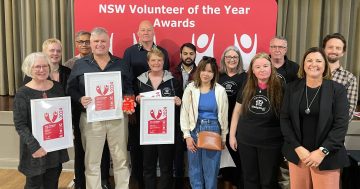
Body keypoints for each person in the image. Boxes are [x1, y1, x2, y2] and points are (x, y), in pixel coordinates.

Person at [67, 27, 134, 189]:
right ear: (91, 43)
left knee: (121, 160)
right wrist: (80, 98)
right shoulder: (80, 64)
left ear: (109, 42)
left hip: (117, 119)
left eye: (103, 41)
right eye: (96, 41)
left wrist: (128, 104)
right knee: (92, 162)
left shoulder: (121, 63)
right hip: (91, 119)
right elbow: (71, 89)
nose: (100, 44)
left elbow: (129, 88)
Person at [280, 47, 350, 189]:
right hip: (299, 156)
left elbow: (341, 125)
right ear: (303, 64)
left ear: (325, 66)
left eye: (318, 61)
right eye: (309, 60)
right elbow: (285, 120)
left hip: (327, 157)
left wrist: (322, 152)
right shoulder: (291, 88)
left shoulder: (337, 90)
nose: (313, 64)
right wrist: (298, 148)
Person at [123, 20, 170, 188]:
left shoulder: (163, 52)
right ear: (138, 33)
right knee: (137, 149)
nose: (146, 33)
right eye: (142, 30)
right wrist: (129, 108)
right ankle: (139, 184)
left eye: (149, 30)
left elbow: (168, 81)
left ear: (153, 32)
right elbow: (126, 81)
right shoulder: (129, 52)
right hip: (138, 109)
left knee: (156, 154)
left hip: (159, 113)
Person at [14, 52, 69, 189]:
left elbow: (63, 113)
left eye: (45, 66)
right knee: (35, 184)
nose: (42, 70)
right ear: (29, 69)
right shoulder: (22, 93)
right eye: (37, 67)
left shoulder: (57, 87)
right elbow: (20, 125)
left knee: (52, 182)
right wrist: (35, 146)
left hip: (54, 148)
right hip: (35, 150)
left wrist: (68, 130)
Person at [64, 31, 112, 189]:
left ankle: (102, 180)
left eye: (87, 41)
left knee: (102, 150)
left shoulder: (105, 60)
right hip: (81, 113)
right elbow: (69, 88)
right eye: (81, 42)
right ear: (76, 43)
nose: (84, 45)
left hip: (104, 112)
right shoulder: (71, 64)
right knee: (82, 150)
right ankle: (81, 181)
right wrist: (79, 99)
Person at [229, 53, 283, 189]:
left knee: (268, 181)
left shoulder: (281, 87)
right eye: (257, 67)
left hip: (271, 143)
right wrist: (232, 136)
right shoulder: (247, 86)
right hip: (246, 141)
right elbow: (236, 112)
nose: (262, 69)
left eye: (265, 66)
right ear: (252, 70)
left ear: (271, 67)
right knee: (249, 179)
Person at [135, 48, 182, 189]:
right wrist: (136, 100)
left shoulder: (173, 80)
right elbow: (129, 103)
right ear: (148, 62)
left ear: (164, 62)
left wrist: (179, 102)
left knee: (166, 167)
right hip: (147, 132)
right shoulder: (139, 81)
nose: (156, 63)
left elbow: (181, 102)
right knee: (148, 167)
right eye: (153, 60)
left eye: (159, 60)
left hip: (166, 132)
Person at [180, 56, 229, 189]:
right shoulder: (190, 88)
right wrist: (187, 136)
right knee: (194, 169)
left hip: (213, 130)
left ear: (214, 74)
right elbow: (184, 113)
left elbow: (224, 116)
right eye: (203, 70)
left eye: (210, 71)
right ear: (199, 71)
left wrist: (223, 137)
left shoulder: (220, 91)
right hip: (194, 130)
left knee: (211, 171)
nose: (206, 74)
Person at [218, 46, 246, 189]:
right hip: (221, 124)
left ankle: (238, 184)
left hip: (239, 124)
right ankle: (227, 183)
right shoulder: (218, 76)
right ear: (224, 59)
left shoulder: (245, 77)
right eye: (228, 57)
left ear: (239, 60)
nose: (232, 60)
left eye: (235, 57)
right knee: (224, 157)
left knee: (238, 156)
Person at [170, 42, 197, 188]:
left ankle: (196, 184)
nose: (188, 56)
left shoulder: (201, 72)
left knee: (195, 152)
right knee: (178, 154)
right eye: (185, 53)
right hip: (175, 118)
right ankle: (179, 184)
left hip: (194, 118)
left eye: (191, 54)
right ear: (180, 55)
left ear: (195, 55)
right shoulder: (171, 72)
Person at [322, 33, 358, 120]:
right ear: (323, 49)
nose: (333, 51)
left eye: (338, 48)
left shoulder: (350, 78)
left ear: (343, 53)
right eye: (330, 47)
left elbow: (349, 110)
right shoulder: (311, 72)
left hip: (335, 130)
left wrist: (336, 131)